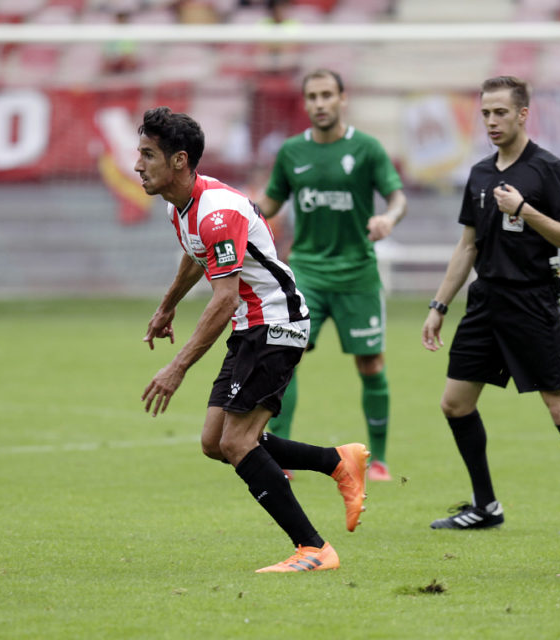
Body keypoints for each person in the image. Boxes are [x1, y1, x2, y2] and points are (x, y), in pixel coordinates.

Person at [136, 106, 369, 573]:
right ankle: (336, 460)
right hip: (252, 324)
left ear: (179, 161)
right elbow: (195, 254)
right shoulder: (180, 206)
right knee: (214, 442)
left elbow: (223, 299)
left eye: (147, 155)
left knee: (238, 443)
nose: (137, 164)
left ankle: (314, 549)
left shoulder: (218, 213)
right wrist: (167, 306)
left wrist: (177, 366)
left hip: (276, 324)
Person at [421, 76, 560, 533]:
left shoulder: (547, 169)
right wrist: (440, 305)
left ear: (522, 114)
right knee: (454, 404)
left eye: (500, 112)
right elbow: (468, 246)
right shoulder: (479, 173)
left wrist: (525, 211)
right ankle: (485, 507)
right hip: (485, 304)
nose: (492, 121)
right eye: (485, 113)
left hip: (532, 302)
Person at [257, 69, 407, 482]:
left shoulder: (366, 148)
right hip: (307, 272)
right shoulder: (291, 153)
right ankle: (278, 456)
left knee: (371, 363)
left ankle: (377, 460)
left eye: (327, 95)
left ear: (343, 98)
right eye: (313, 96)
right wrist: (238, 215)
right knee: (286, 360)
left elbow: (397, 196)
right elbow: (270, 201)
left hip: (358, 274)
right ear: (305, 103)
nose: (320, 103)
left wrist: (388, 218)